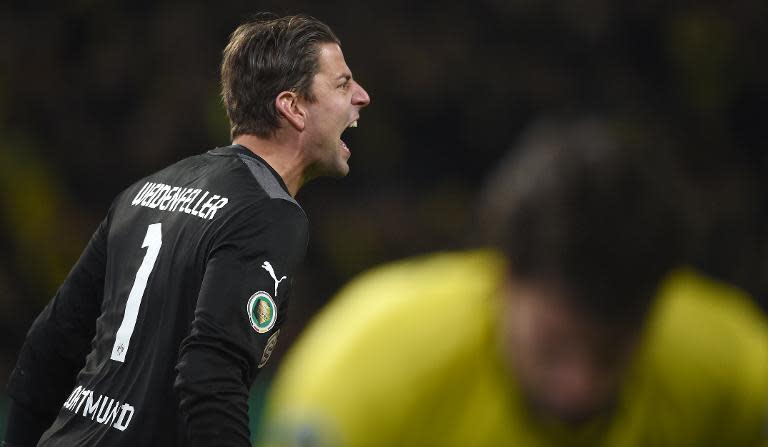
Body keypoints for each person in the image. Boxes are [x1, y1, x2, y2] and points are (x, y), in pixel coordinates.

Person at [258, 118, 768, 446]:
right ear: (502, 275)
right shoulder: (365, 372)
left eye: (612, 352)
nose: (580, 391)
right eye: (552, 345)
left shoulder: (736, 368)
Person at [3, 13, 370, 447]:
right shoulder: (269, 213)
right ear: (293, 107)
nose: (362, 97)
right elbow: (209, 377)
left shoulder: (144, 191)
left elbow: (49, 347)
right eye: (343, 84)